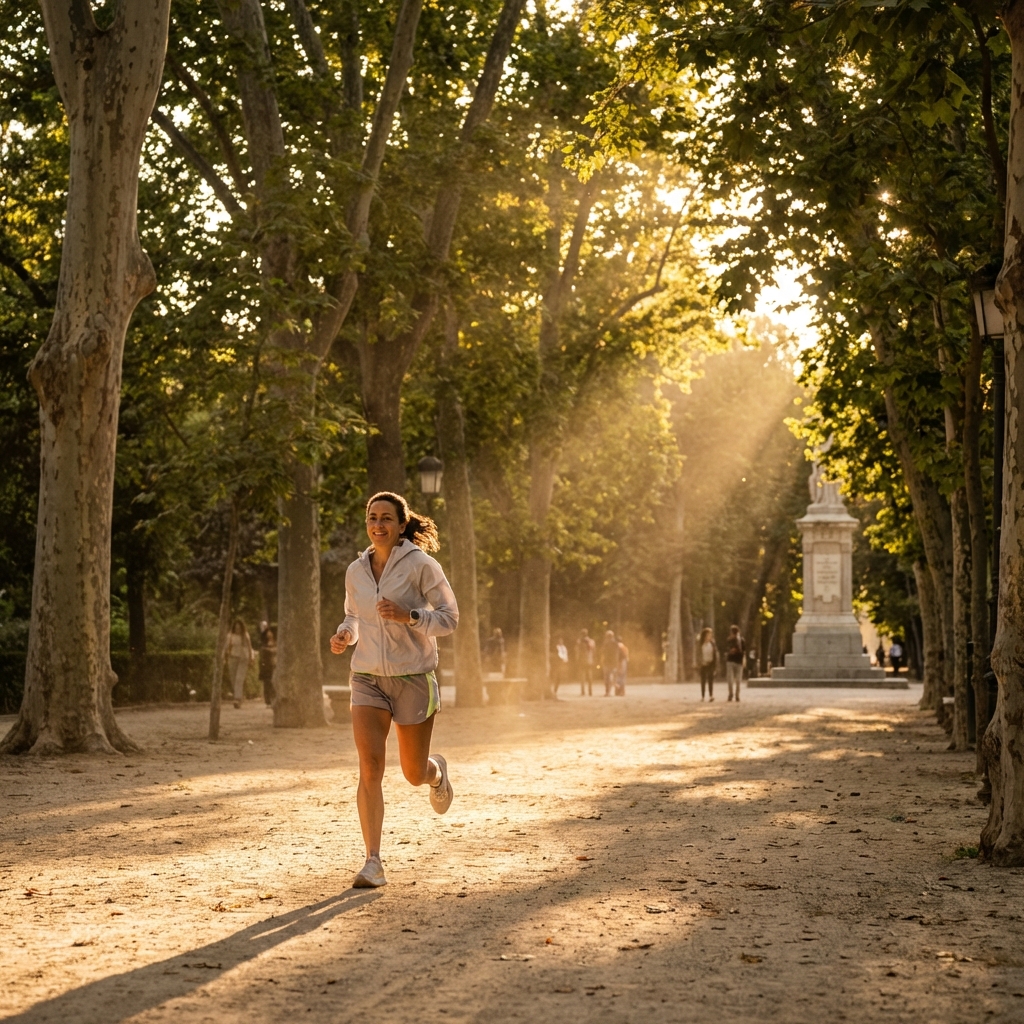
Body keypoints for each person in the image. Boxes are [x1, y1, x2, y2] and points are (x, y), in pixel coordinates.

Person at [330, 491, 458, 889]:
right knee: (370, 767)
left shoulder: (422, 565)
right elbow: (354, 615)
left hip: (413, 677)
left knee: (412, 772)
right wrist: (345, 634)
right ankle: (373, 861)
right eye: (372, 517)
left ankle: (436, 774)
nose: (378, 524)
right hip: (366, 677)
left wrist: (411, 616)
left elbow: (450, 618)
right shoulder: (356, 571)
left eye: (387, 517)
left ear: (402, 525)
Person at [224, 618, 253, 709]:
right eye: (236, 628)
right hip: (233, 658)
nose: (238, 630)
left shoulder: (245, 635)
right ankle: (239, 696)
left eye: (239, 628)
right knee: (233, 679)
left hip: (243, 658)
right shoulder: (230, 636)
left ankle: (237, 699)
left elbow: (250, 647)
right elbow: (226, 647)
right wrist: (224, 657)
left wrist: (251, 657)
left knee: (239, 679)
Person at [725, 624, 745, 702]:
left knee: (738, 680)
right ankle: (730, 694)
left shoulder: (741, 640)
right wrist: (730, 651)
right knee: (730, 679)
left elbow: (743, 651)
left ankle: (737, 695)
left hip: (738, 661)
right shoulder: (729, 640)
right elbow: (726, 649)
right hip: (730, 661)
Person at [259, 621, 276, 706]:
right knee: (268, 682)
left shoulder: (268, 636)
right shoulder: (265, 646)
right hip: (267, 665)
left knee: (269, 682)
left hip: (270, 664)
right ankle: (268, 700)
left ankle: (270, 699)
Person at [698, 627, 717, 702]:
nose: (710, 636)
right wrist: (700, 662)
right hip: (703, 664)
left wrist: (714, 664)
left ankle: (711, 695)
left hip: (710, 664)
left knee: (710, 680)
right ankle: (702, 696)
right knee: (703, 680)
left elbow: (715, 655)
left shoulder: (712, 644)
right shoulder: (701, 645)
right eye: (709, 635)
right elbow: (698, 654)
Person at [576, 629, 596, 696]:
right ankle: (590, 692)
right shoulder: (592, 641)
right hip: (589, 660)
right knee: (590, 677)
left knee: (582, 677)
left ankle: (583, 692)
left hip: (582, 661)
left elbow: (577, 652)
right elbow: (594, 651)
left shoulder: (579, 642)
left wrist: (577, 659)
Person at [601, 629, 620, 696]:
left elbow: (603, 653)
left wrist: (602, 661)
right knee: (612, 677)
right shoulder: (615, 643)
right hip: (613, 663)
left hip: (606, 662)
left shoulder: (605, 643)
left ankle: (607, 692)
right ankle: (612, 690)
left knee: (607, 678)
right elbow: (617, 654)